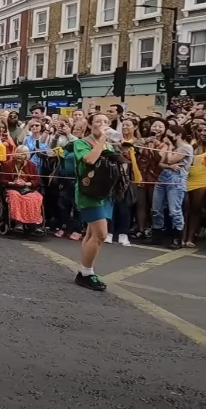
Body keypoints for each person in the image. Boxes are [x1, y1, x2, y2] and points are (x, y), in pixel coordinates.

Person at [72, 113, 122, 291]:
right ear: (90, 125)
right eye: (99, 122)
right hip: (89, 193)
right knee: (100, 234)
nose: (103, 125)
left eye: (106, 122)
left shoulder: (109, 144)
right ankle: (87, 272)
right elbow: (90, 159)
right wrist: (102, 140)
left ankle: (85, 271)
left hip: (105, 193)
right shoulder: (81, 143)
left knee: (92, 234)